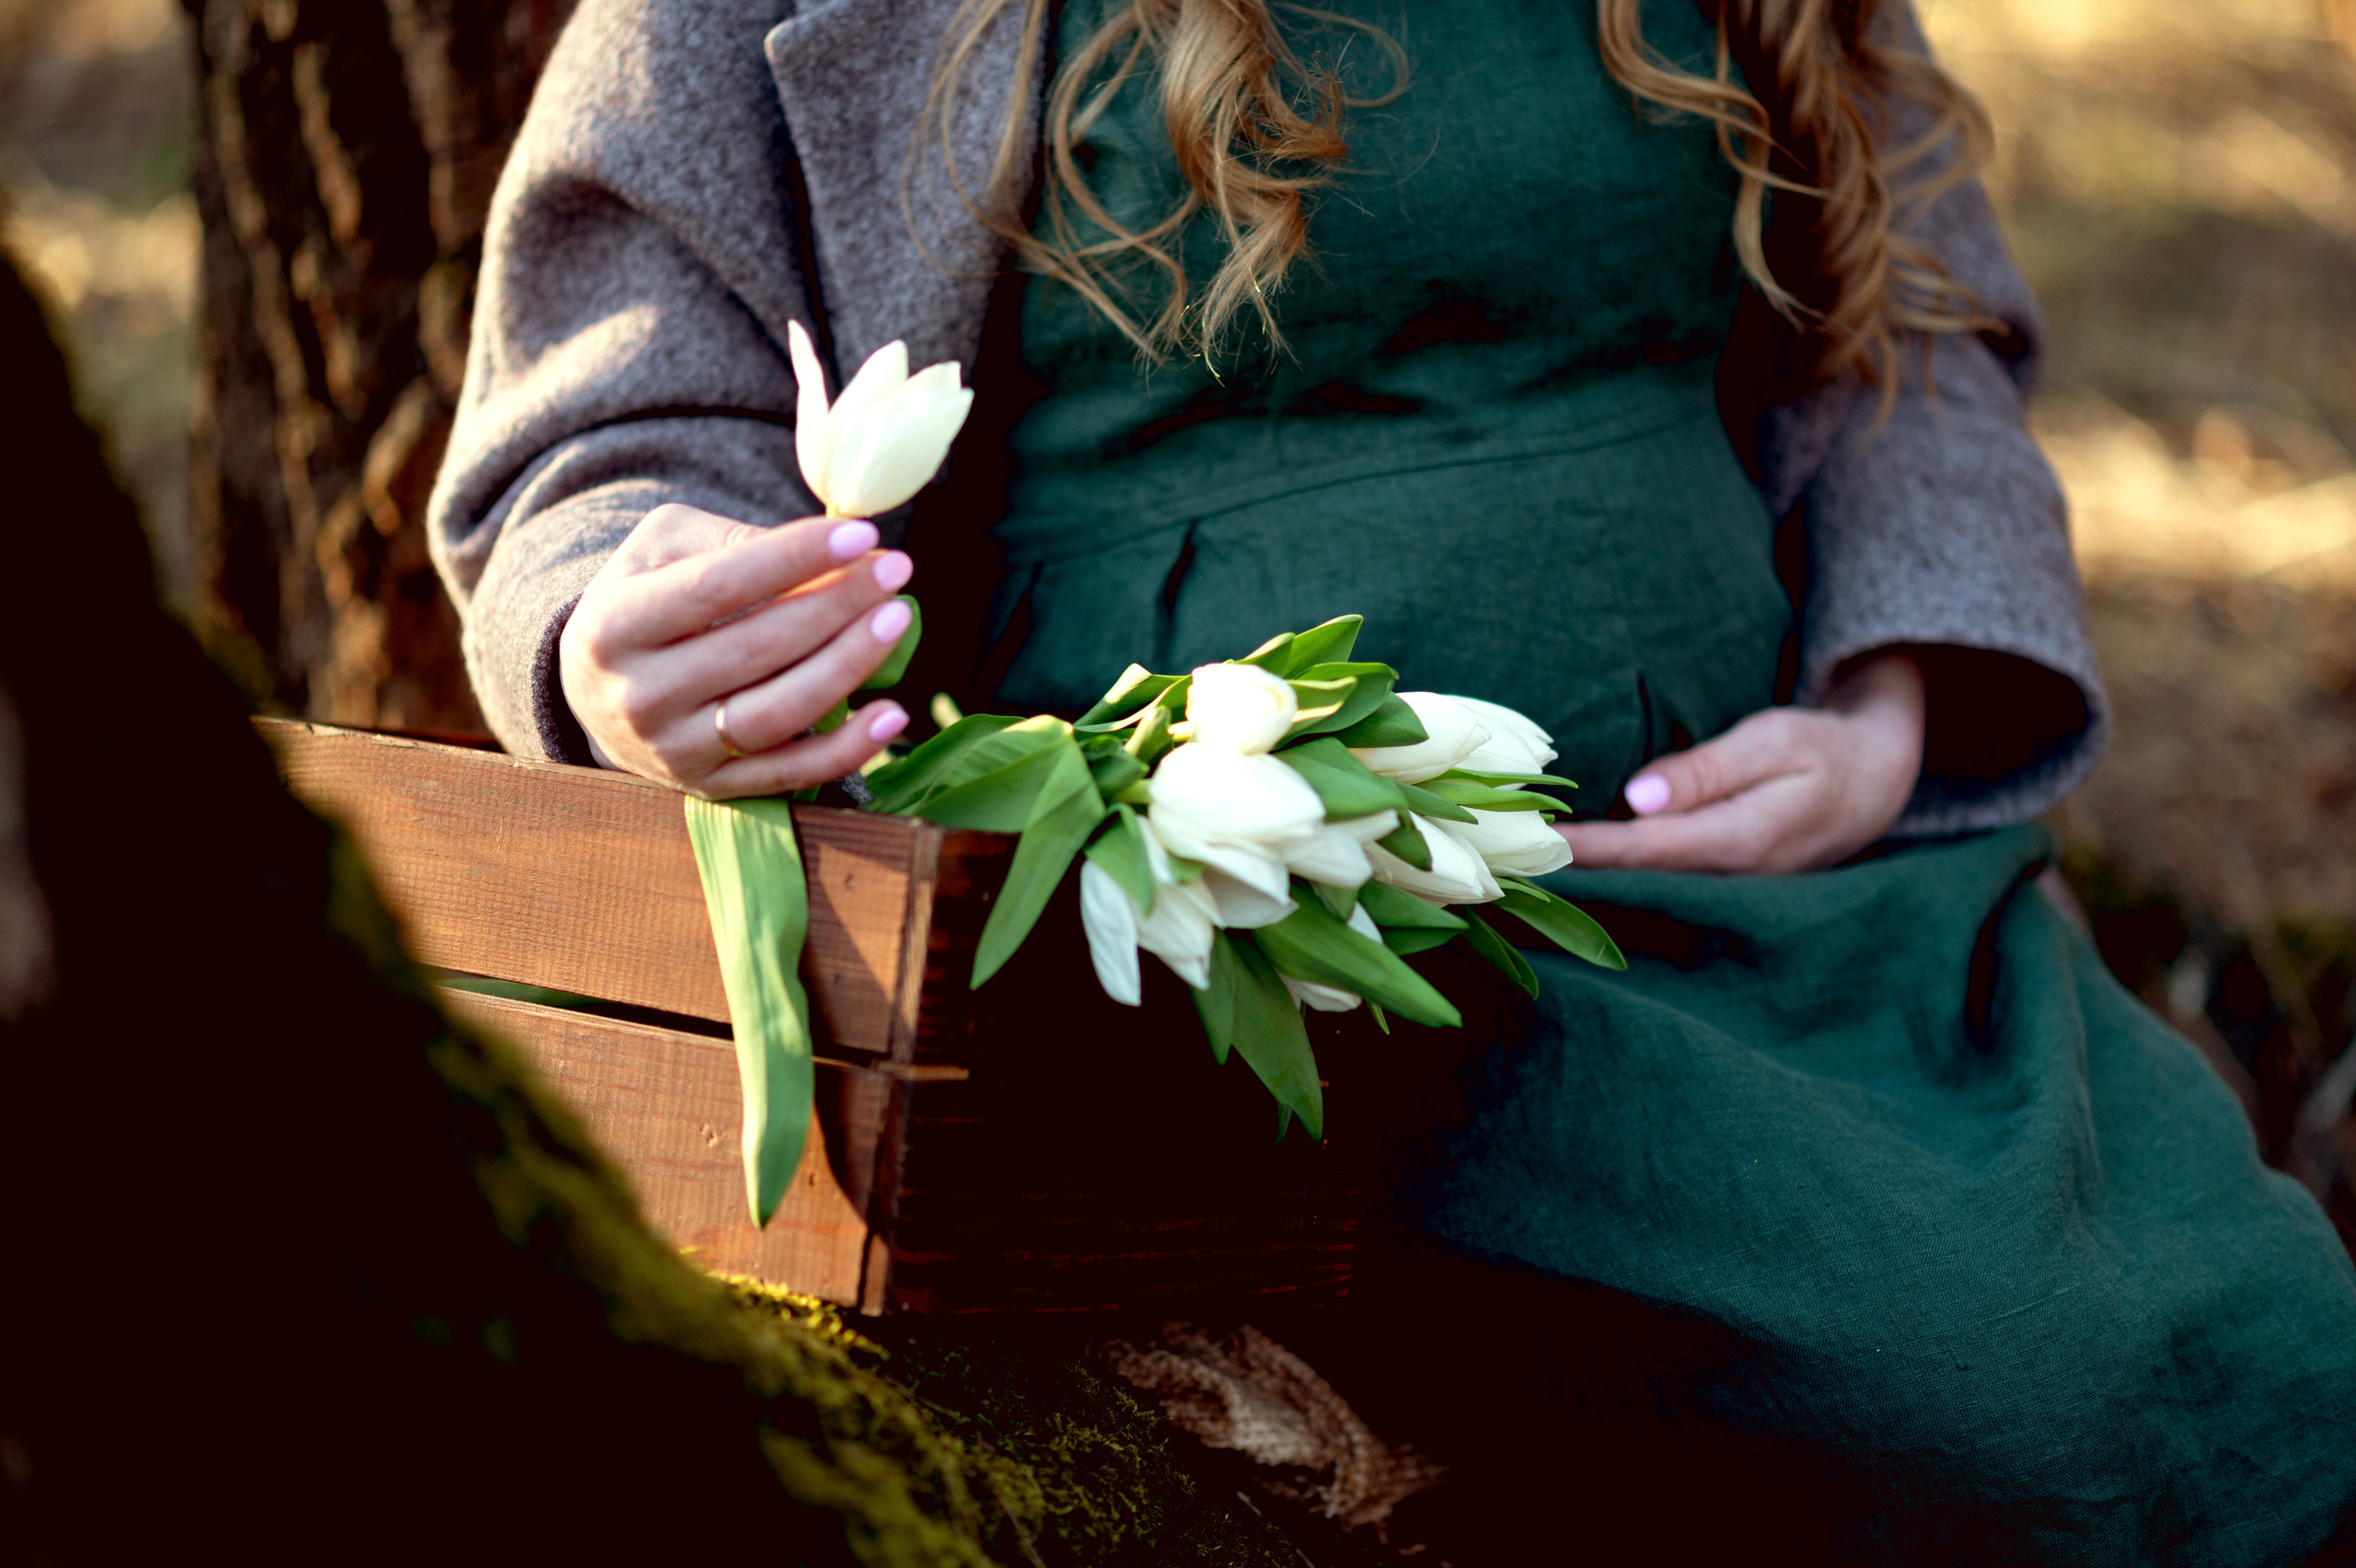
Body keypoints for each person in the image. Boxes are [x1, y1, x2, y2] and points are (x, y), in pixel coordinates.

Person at [427, 0, 2356, 1558]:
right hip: (1289, 939)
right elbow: (610, 427)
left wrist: (1889, 706)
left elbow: (1904, 315)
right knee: (2002, 1414)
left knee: (2266, 1342)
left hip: (1799, 889)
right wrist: (636, 624)